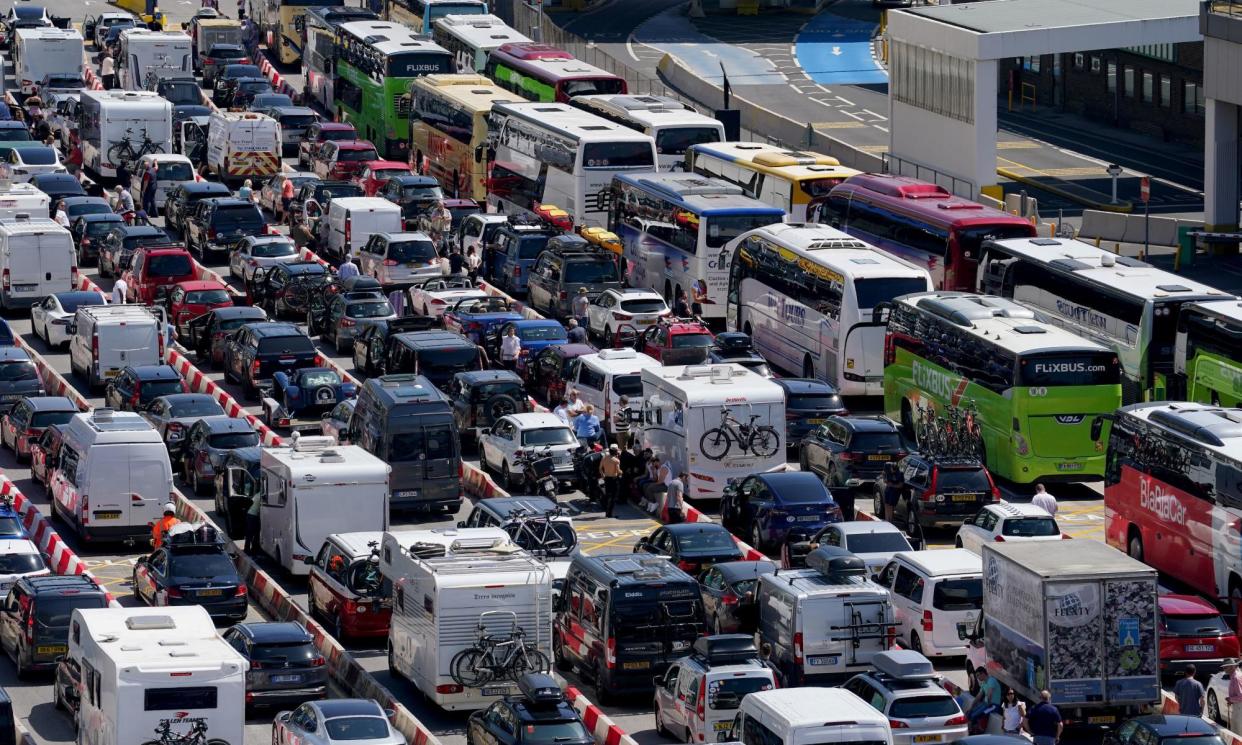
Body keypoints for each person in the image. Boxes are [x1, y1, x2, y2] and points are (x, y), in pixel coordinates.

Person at [968, 667, 1002, 732]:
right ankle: (972, 729)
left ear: (983, 674)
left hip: (993, 705)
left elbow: (989, 695)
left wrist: (986, 705)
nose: (977, 678)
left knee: (975, 715)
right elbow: (978, 696)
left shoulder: (991, 680)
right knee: (969, 713)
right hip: (986, 704)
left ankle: (973, 730)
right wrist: (971, 707)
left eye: (978, 675)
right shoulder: (984, 683)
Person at [600, 444, 621, 516]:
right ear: (615, 452)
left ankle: (607, 511)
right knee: (613, 496)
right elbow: (618, 471)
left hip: (607, 478)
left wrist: (602, 474)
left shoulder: (604, 458)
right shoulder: (616, 460)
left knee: (608, 494)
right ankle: (610, 513)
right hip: (613, 479)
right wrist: (622, 472)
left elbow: (600, 468)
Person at [1226, 658, 1242, 733]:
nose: (1224, 669)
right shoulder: (1235, 675)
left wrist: (1230, 699)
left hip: (1239, 707)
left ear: (1232, 667)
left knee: (1237, 731)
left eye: (1226, 667)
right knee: (1235, 730)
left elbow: (1241, 696)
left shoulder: (1236, 677)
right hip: (1237, 706)